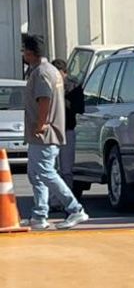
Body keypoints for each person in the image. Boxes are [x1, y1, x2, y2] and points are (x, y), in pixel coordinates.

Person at [21, 34, 88, 230]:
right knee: (36, 173)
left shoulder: (42, 72)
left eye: (24, 50)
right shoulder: (50, 70)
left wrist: (41, 125)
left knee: (46, 172)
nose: (23, 54)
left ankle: (75, 209)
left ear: (30, 52)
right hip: (44, 133)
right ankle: (39, 215)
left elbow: (44, 99)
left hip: (43, 133)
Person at [52, 57, 83, 191]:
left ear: (65, 73)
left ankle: (67, 198)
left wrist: (62, 98)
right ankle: (54, 200)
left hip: (67, 128)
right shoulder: (48, 84)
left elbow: (79, 107)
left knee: (66, 169)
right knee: (51, 169)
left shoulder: (73, 86)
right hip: (52, 131)